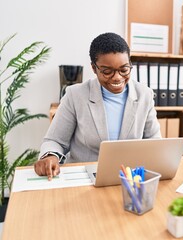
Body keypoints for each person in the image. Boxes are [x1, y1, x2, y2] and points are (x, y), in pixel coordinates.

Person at [34, 32, 161, 179]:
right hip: (84, 178)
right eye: (107, 72)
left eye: (124, 69)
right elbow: (54, 140)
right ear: (94, 68)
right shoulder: (75, 95)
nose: (117, 77)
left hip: (129, 178)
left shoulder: (144, 94)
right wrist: (50, 156)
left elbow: (154, 142)